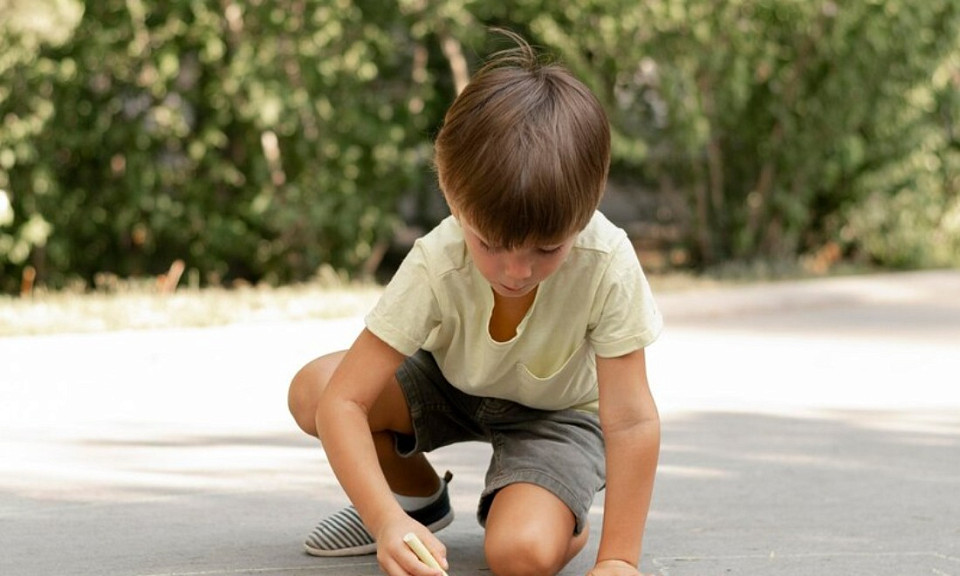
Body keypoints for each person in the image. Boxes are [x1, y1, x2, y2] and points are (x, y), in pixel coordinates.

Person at [287, 30, 663, 576]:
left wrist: (621, 560)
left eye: (547, 249)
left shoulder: (606, 261)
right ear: (450, 191)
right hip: (451, 386)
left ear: (587, 210)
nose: (516, 271)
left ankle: (561, 513)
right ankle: (415, 500)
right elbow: (343, 401)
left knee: (519, 556)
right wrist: (385, 519)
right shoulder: (437, 260)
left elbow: (630, 421)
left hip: (554, 417)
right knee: (314, 389)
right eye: (489, 244)